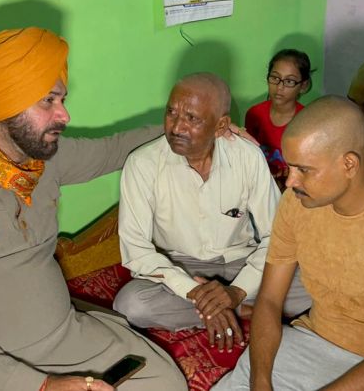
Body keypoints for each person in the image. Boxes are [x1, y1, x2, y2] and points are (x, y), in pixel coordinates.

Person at [0, 27, 188, 391]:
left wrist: (192, 132)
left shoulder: (42, 156)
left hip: (66, 341)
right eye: (48, 101)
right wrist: (39, 385)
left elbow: (116, 149)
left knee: (164, 382)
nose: (64, 115)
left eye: (62, 100)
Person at [215, 96, 364, 391]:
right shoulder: (296, 202)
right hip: (308, 342)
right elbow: (270, 301)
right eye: (290, 167)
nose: (289, 181)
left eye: (304, 170)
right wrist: (260, 382)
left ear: (349, 164)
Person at [114, 73, 310, 353]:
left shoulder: (247, 157)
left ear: (220, 126)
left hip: (241, 260)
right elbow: (138, 252)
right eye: (171, 112)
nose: (177, 126)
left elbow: (277, 235)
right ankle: (243, 308)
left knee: (316, 283)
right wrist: (195, 293)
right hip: (181, 268)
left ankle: (235, 305)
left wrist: (236, 290)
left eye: (192, 118)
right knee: (131, 304)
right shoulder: (142, 164)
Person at [245, 49, 313, 189]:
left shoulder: (307, 121)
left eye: (289, 81)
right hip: (258, 187)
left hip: (292, 190)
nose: (280, 87)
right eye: (275, 78)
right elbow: (247, 157)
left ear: (303, 86)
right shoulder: (255, 114)